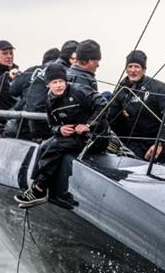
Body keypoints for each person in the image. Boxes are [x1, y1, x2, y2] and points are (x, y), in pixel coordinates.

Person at [14, 63, 107, 208]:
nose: (58, 86)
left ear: (66, 81)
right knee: (44, 145)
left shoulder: (79, 91)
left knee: (56, 146)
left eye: (61, 82)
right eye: (54, 82)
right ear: (47, 85)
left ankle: (39, 190)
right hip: (73, 136)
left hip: (94, 138)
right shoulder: (50, 100)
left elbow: (103, 105)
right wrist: (60, 129)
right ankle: (37, 187)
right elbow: (52, 125)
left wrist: (89, 125)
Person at [110, 50, 165, 162]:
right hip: (135, 144)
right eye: (129, 66)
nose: (132, 70)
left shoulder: (159, 87)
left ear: (144, 69)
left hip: (159, 144)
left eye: (137, 66)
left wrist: (161, 142)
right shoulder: (121, 90)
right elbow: (110, 116)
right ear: (126, 69)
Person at [4, 47, 59, 140]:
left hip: (21, 123)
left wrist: (17, 76)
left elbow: (13, 90)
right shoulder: (60, 72)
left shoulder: (31, 70)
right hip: (47, 127)